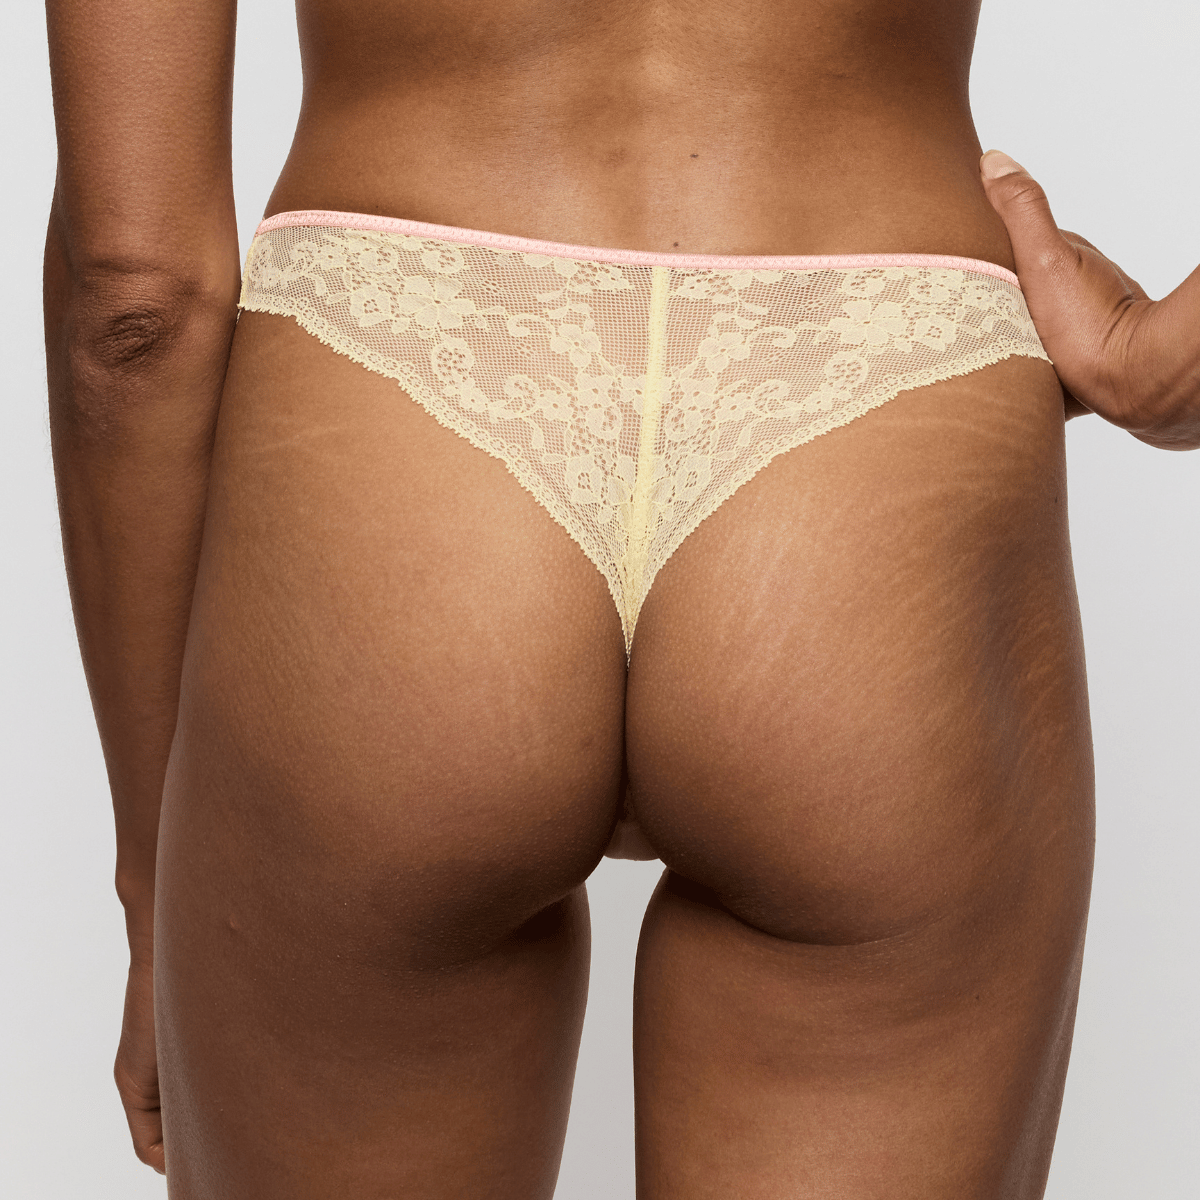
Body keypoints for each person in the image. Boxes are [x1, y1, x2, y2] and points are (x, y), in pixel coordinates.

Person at [41, 1, 1197, 1196]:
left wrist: (161, 873)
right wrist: (1169, 358)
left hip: (391, 419)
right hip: (875, 425)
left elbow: (135, 299)